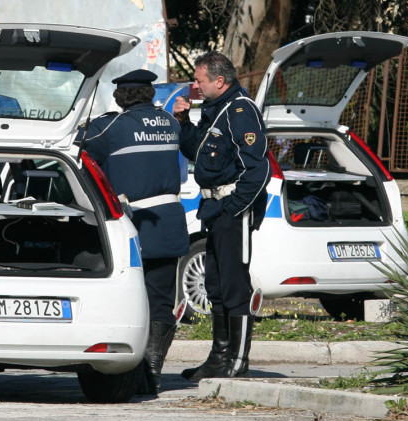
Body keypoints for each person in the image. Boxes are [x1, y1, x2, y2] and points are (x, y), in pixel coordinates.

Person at [80, 69, 189, 394]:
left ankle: (136, 372)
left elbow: (80, 146)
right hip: (170, 222)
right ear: (149, 95)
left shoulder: (113, 126)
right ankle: (151, 375)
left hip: (136, 223)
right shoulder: (170, 123)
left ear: (121, 97)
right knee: (160, 300)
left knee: (128, 297)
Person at [173, 52, 271, 381]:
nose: (195, 85)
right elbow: (199, 152)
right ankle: (219, 357)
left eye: (199, 79)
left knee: (233, 285)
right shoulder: (216, 110)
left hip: (232, 211)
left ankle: (238, 360)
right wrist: (184, 123)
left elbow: (258, 169)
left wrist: (234, 208)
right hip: (214, 210)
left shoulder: (240, 110)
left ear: (219, 80)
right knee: (214, 284)